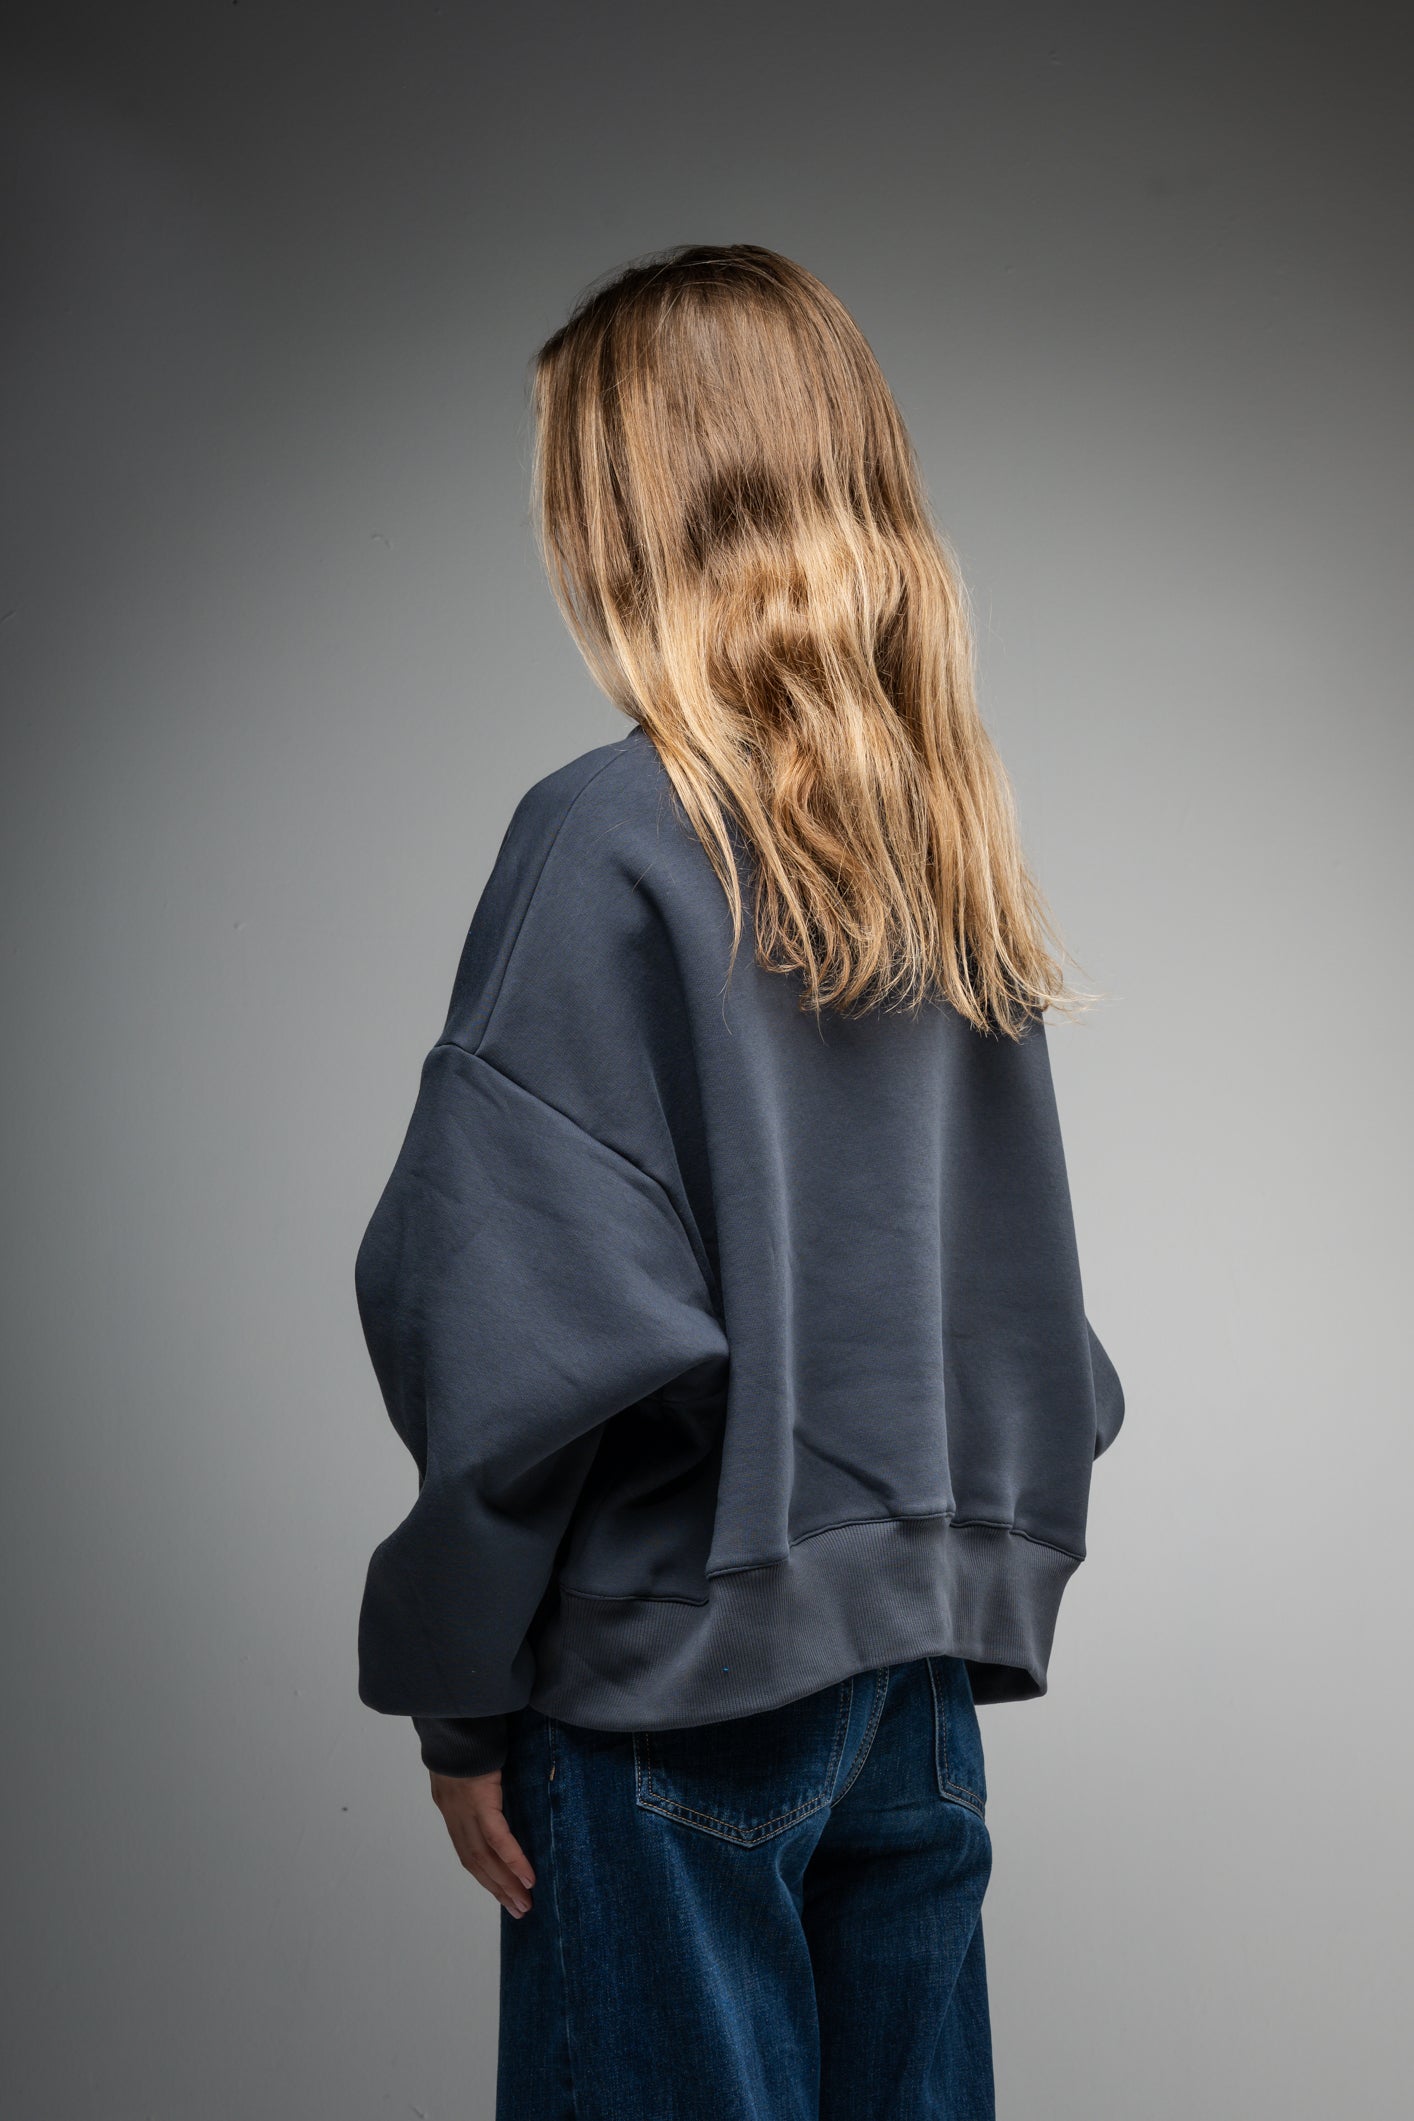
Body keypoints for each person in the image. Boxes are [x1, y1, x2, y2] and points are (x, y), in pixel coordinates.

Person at [353, 244, 1125, 2121]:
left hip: (671, 1688)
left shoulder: (601, 835)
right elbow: (1023, 1315)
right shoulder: (943, 848)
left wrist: (459, 1691)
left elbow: (507, 1319)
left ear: (622, 512)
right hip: (913, 1691)